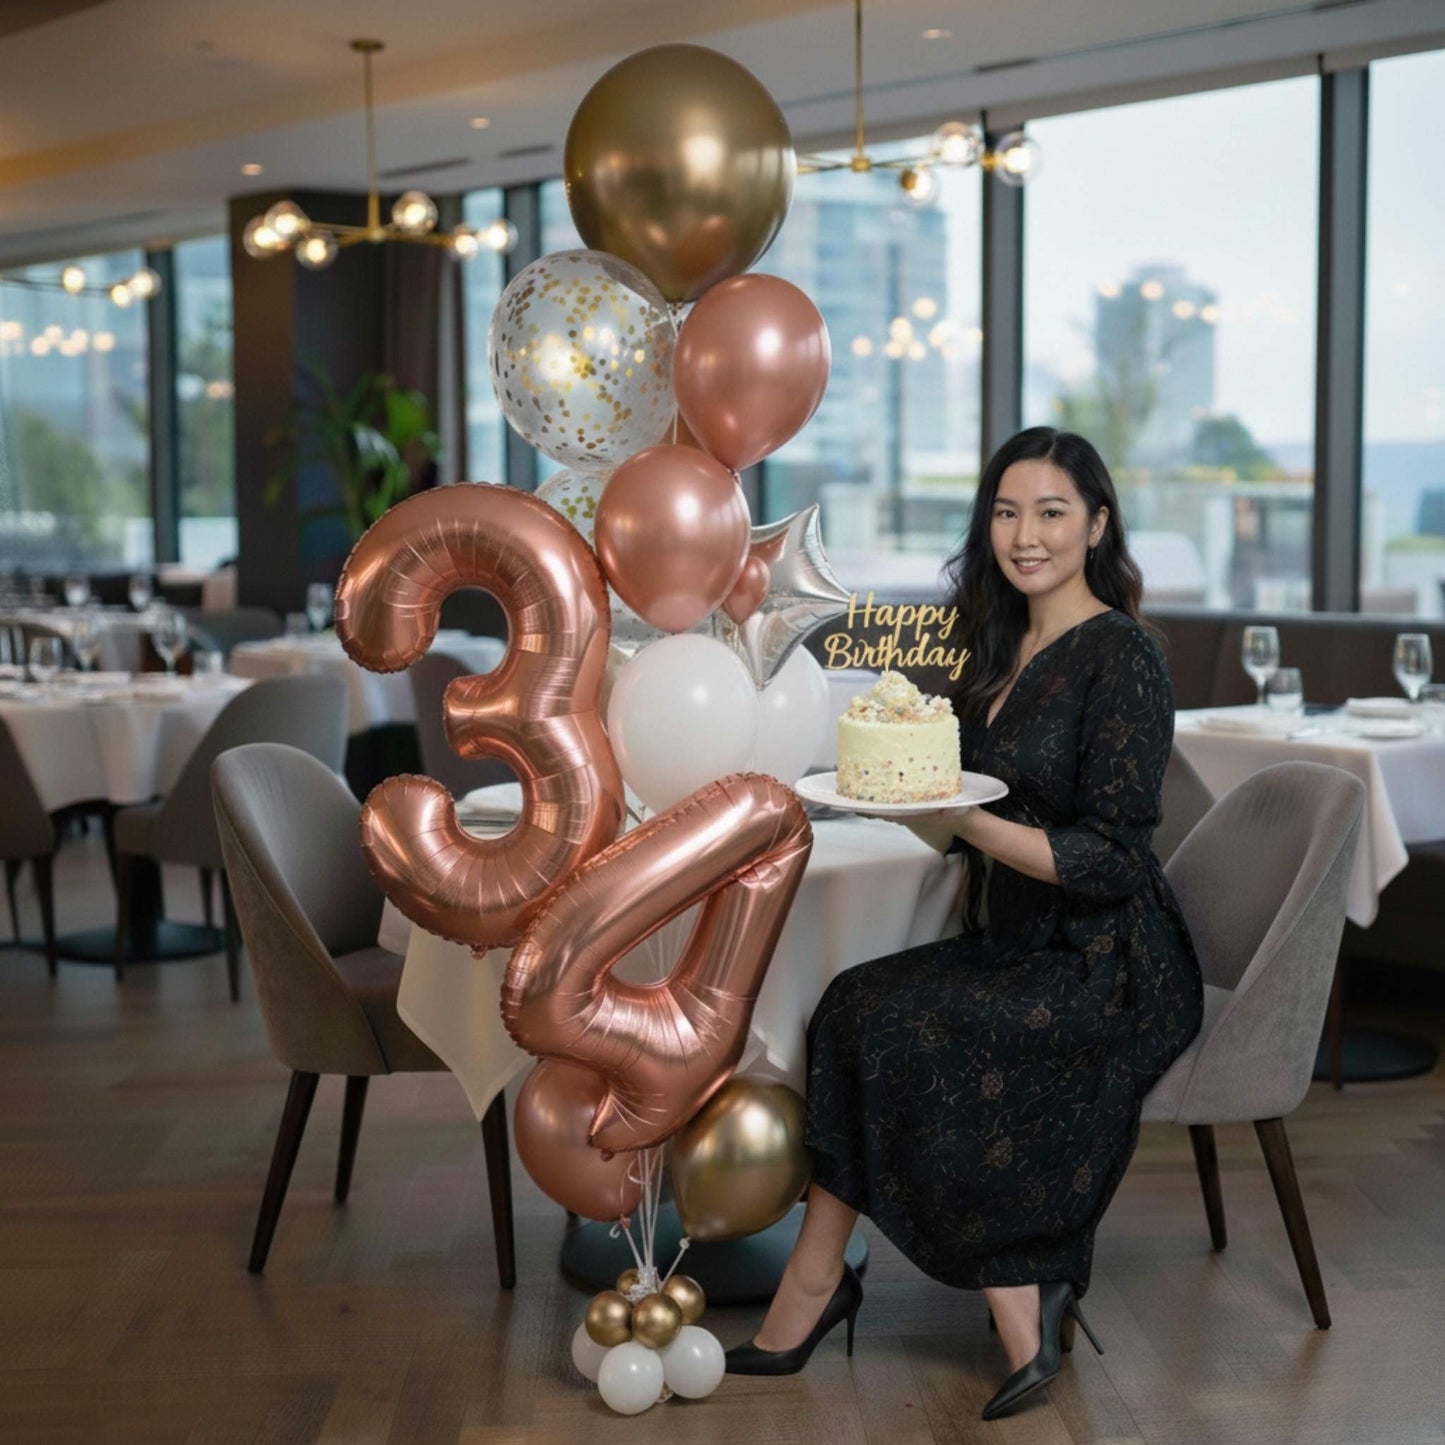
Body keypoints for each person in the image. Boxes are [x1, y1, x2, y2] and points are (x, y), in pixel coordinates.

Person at [725, 427, 1205, 1421]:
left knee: (903, 1024)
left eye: (1050, 512)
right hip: (1013, 937)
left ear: (1097, 523)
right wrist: (895, 800)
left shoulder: (1122, 657)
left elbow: (1111, 860)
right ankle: (817, 1282)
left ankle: (1014, 1303)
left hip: (1104, 957)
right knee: (853, 1005)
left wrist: (961, 821)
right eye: (1003, 510)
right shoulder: (999, 643)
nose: (1022, 534)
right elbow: (949, 794)